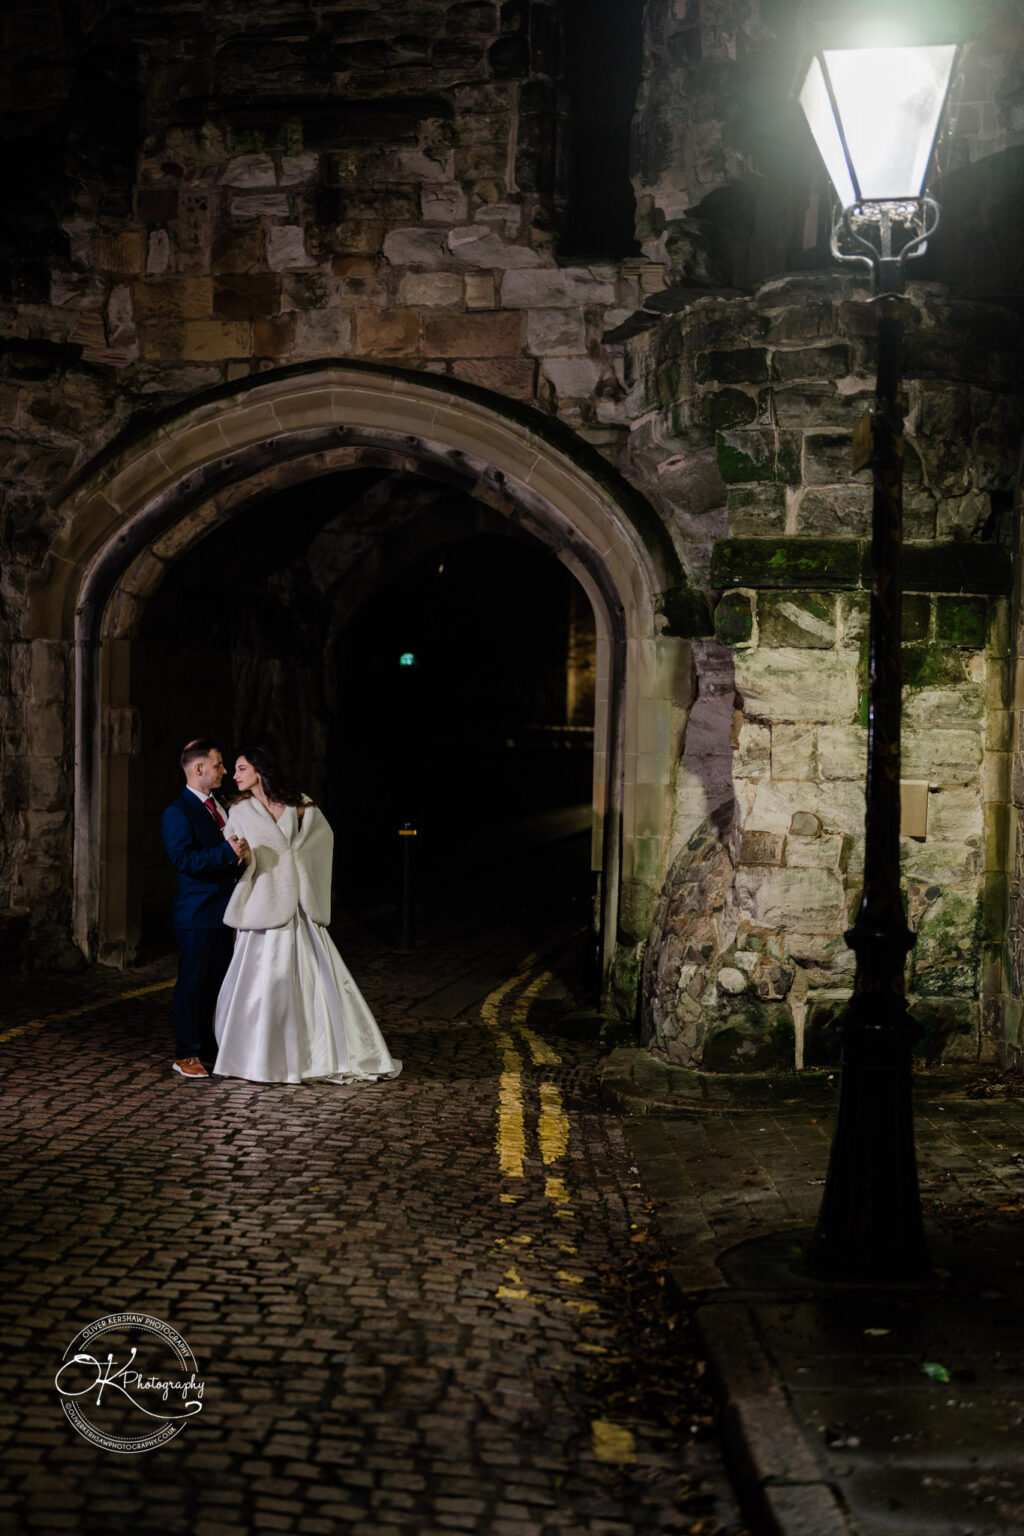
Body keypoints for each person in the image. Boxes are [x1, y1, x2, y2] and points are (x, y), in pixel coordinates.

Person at [213, 745, 401, 1085]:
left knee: (311, 982)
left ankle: (315, 1054)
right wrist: (242, 857)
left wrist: (299, 864)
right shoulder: (239, 809)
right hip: (262, 907)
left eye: (241, 768)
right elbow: (233, 848)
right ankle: (258, 1058)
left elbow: (321, 839)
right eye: (235, 770)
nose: (236, 775)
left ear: (259, 770)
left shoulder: (298, 806)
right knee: (261, 984)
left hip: (297, 909)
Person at [161, 739, 249, 1080]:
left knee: (217, 984)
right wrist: (227, 853)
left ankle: (211, 1046)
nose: (224, 771)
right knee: (193, 984)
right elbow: (183, 859)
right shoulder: (178, 812)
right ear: (199, 769)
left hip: (225, 913)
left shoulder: (220, 806)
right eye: (219, 764)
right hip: (197, 915)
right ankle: (186, 1053)